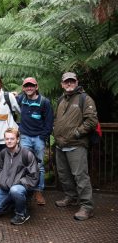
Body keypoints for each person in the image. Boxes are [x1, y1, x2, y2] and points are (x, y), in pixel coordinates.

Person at [54, 72, 98, 221]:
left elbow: (91, 121)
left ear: (77, 82)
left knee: (80, 176)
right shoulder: (61, 99)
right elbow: (57, 119)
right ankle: (71, 197)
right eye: (66, 82)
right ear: (62, 84)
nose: (69, 84)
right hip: (61, 145)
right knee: (64, 175)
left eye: (72, 81)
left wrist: (77, 133)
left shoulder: (85, 99)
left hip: (76, 144)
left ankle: (87, 207)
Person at [0, 128, 39, 225]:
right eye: (7, 139)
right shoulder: (2, 153)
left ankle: (21, 214)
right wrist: (1, 181)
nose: (9, 141)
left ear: (18, 139)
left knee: (15, 190)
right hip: (4, 187)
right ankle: (15, 203)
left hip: (19, 186)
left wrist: (18, 182)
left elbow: (34, 176)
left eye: (12, 138)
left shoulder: (26, 154)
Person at [16, 77, 53, 205]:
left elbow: (49, 122)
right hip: (25, 136)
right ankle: (26, 189)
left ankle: (38, 191)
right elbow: (9, 103)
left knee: (40, 166)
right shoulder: (21, 99)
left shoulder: (44, 102)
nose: (29, 88)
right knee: (24, 164)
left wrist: (43, 136)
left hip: (38, 138)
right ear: (23, 88)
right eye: (26, 86)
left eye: (32, 85)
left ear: (36, 87)